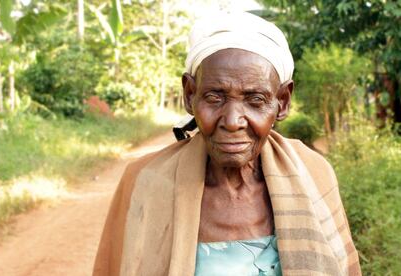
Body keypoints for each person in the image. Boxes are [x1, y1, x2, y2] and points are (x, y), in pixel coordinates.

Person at [93, 11, 361, 276]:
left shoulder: (313, 173)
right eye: (214, 97)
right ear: (190, 95)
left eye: (255, 100)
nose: (233, 121)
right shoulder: (145, 182)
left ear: (282, 102)